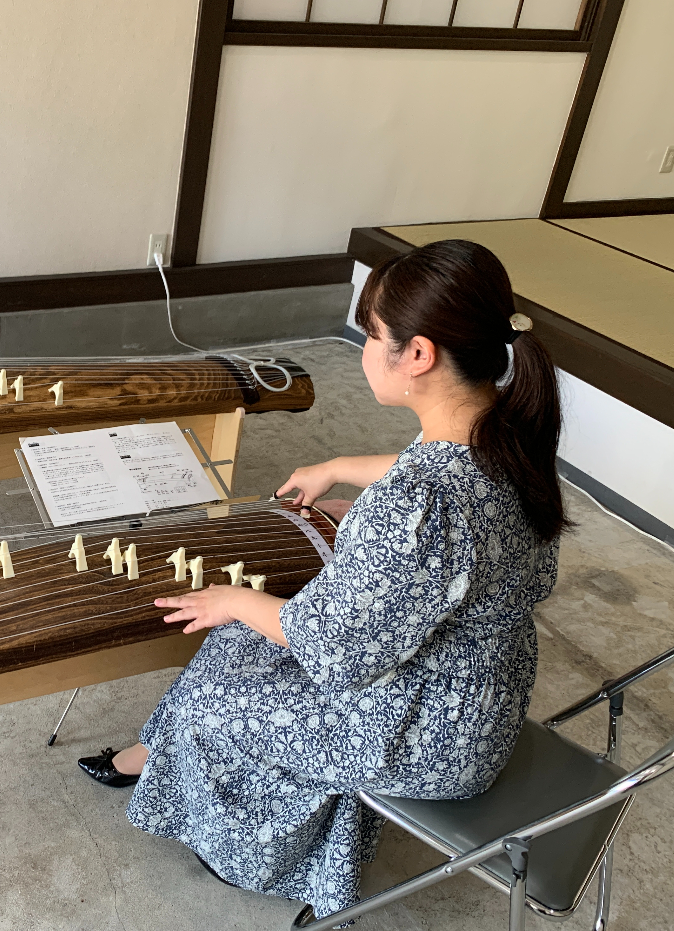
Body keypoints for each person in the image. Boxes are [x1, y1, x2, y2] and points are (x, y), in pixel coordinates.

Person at [77, 239, 568, 919]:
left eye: (372, 335)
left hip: (427, 735)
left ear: (418, 355)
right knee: (239, 642)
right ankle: (151, 752)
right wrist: (339, 467)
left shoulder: (420, 502)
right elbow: (421, 486)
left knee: (224, 673)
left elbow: (332, 651)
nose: (364, 347)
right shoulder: (508, 430)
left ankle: (251, 851)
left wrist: (233, 597)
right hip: (482, 697)